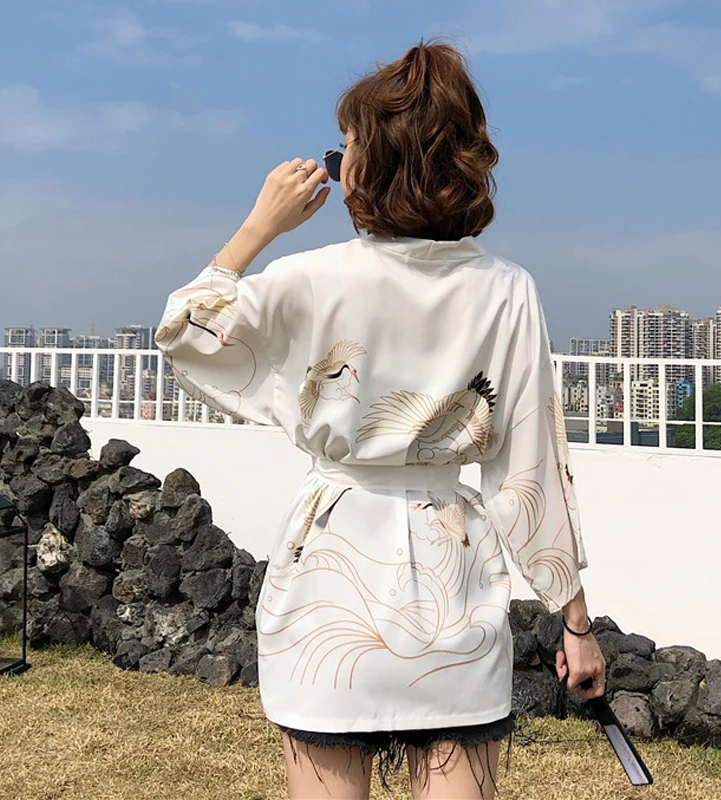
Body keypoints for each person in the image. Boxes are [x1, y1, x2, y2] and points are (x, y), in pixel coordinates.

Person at [155, 40, 606, 800]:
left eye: (346, 151)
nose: (337, 167)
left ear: (377, 164)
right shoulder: (507, 290)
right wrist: (577, 624)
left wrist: (259, 226)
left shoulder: (311, 277)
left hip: (329, 584)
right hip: (454, 584)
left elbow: (185, 330)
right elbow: (531, 472)